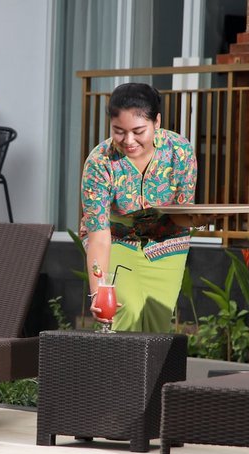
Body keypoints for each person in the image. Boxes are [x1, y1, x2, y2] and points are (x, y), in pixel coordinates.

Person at [79, 82, 212, 333]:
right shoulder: (100, 162)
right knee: (123, 311)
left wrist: (198, 220)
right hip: (116, 240)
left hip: (166, 243)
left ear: (156, 122)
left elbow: (181, 215)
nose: (128, 140)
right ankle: (116, 361)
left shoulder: (180, 152)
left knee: (156, 325)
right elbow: (99, 237)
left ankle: (152, 363)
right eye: (119, 131)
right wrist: (99, 292)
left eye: (138, 131)